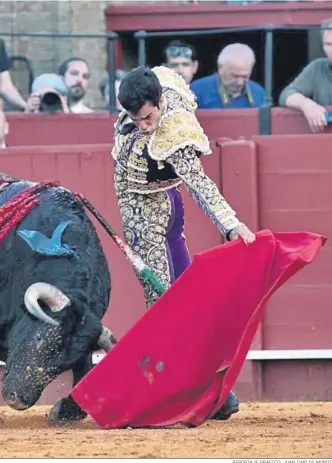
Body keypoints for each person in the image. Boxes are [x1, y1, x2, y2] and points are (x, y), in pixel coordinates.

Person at [111, 65, 256, 420]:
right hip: (161, 207)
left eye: (146, 117)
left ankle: (175, 395)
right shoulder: (151, 92)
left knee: (164, 309)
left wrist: (231, 224)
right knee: (182, 302)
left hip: (151, 215)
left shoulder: (174, 131)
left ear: (160, 102)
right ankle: (217, 394)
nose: (142, 125)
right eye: (134, 118)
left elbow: (200, 184)